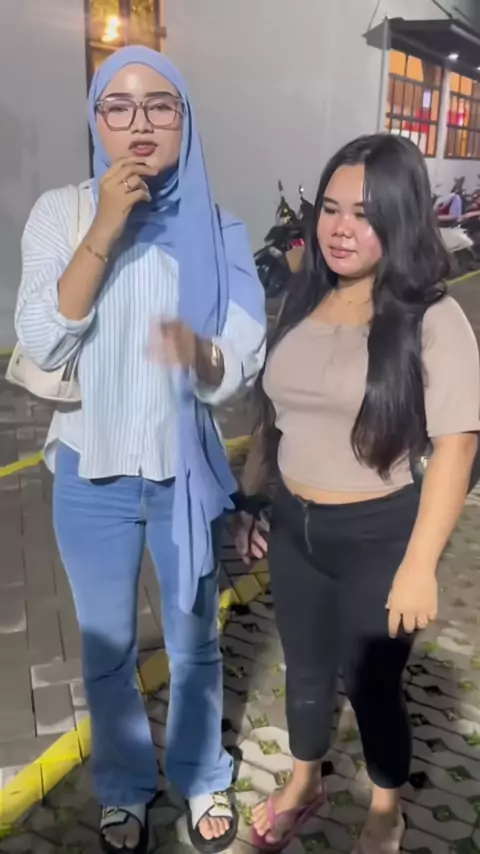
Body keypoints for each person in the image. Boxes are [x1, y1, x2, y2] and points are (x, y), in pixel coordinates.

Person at [15, 46, 265, 854]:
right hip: (90, 475)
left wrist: (202, 356)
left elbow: (241, 357)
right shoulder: (60, 213)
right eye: (117, 106)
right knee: (106, 650)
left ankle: (201, 774)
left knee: (195, 644)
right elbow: (43, 340)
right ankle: (124, 786)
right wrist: (105, 228)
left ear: (185, 121)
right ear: (96, 120)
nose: (140, 123)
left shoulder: (218, 228)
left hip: (183, 479)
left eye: (161, 105)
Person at [234, 134, 480, 854]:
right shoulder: (304, 297)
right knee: (306, 673)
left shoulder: (432, 317)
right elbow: (275, 414)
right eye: (331, 208)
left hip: (380, 536)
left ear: (401, 218)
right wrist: (253, 502)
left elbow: (459, 445)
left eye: (365, 214)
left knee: (371, 685)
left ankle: (385, 809)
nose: (340, 228)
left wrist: (419, 565)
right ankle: (303, 786)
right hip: (294, 527)